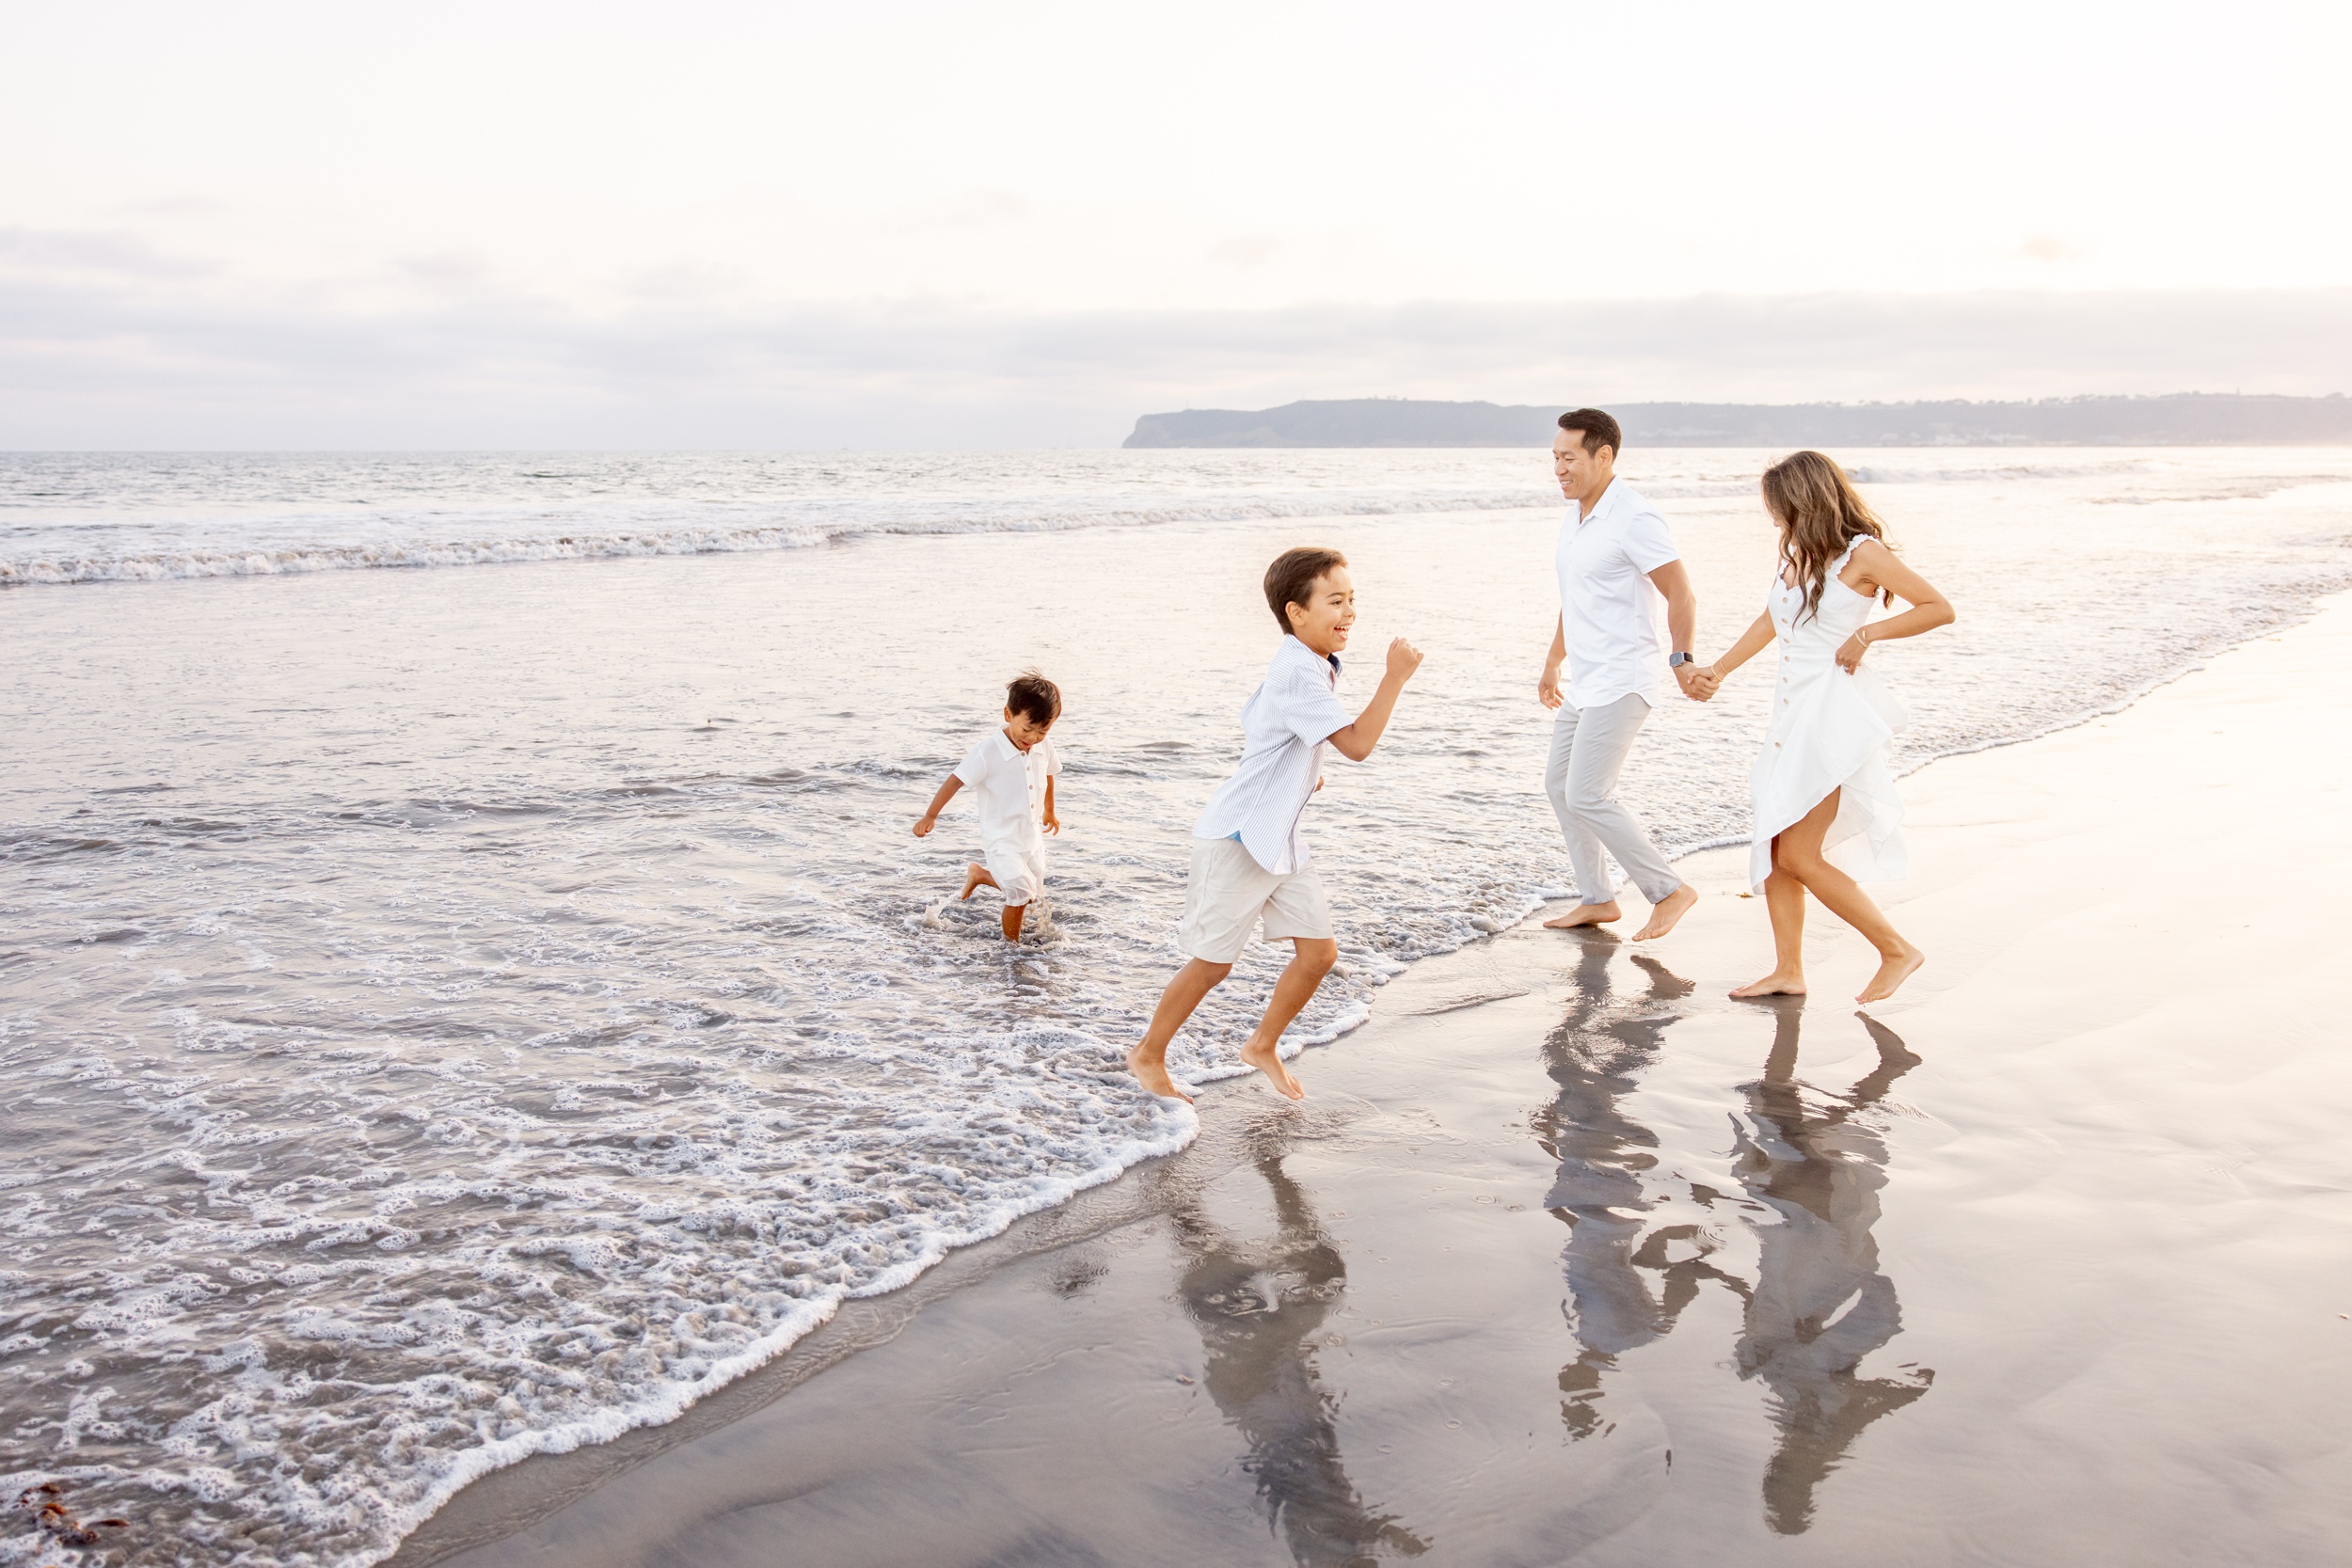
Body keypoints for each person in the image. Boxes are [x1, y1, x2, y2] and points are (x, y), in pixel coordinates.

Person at [1125, 547, 1422, 1103]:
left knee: (1319, 954)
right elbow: (1356, 745)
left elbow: (1268, 730)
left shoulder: (1311, 662)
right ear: (1296, 612)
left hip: (1279, 837)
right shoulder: (1295, 671)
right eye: (1335, 601)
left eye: (1353, 599)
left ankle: (1262, 1044)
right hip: (1238, 839)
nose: (1350, 612)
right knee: (1213, 964)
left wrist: (1303, 774)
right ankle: (1147, 1053)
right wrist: (1395, 678)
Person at [1688, 450, 1956, 1004]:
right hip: (1790, 714)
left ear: (1805, 499)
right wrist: (1719, 670)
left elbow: (1937, 607)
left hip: (1830, 714)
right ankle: (1789, 970)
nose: (1774, 518)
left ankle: (1896, 949)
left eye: (1779, 507)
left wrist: (1867, 635)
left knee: (1799, 854)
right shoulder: (1798, 555)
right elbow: (1771, 620)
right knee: (1775, 842)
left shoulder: (1863, 554)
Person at [1538, 408, 1706, 941]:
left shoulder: (1635, 517)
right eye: (1556, 458)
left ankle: (1669, 890)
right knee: (1559, 787)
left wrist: (1682, 659)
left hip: (1624, 678)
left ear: (1603, 456)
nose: (1559, 469)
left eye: (1569, 458)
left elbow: (1679, 592)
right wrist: (1552, 659)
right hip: (1586, 680)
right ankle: (1598, 899)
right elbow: (1576, 598)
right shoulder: (1578, 516)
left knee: (1588, 792)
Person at [912, 671, 1063, 942]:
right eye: (1027, 729)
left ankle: (981, 875)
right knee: (1019, 892)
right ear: (1008, 714)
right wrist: (930, 815)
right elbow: (954, 781)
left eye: (1043, 730)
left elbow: (1048, 775)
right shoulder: (987, 752)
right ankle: (1011, 949)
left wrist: (1049, 810)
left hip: (1030, 838)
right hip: (1001, 839)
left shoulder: (1044, 746)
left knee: (1032, 895)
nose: (1033, 738)